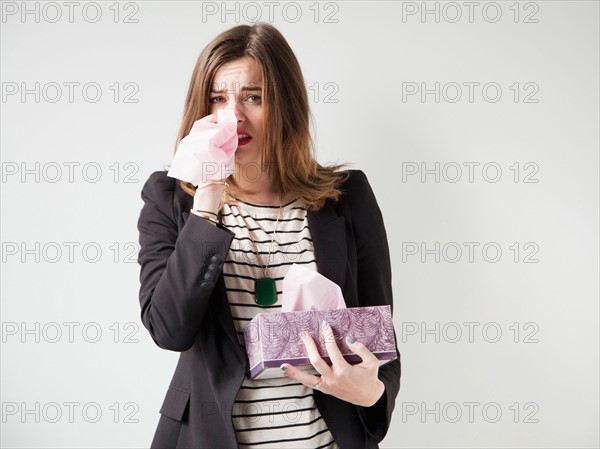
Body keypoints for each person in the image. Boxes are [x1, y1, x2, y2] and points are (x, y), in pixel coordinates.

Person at [136, 23, 401, 449]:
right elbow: (169, 329)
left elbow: (379, 337)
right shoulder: (172, 199)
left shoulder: (348, 197)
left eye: (253, 97)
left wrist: (372, 394)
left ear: (286, 104)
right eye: (218, 99)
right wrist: (207, 200)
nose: (234, 115)